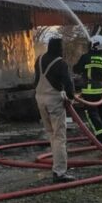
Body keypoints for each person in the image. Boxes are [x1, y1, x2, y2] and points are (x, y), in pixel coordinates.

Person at [34, 37, 76, 183]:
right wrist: (70, 98)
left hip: (40, 99)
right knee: (59, 137)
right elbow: (68, 85)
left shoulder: (39, 59)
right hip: (54, 101)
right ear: (59, 48)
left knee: (51, 134)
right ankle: (59, 172)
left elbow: (36, 80)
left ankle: (57, 164)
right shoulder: (60, 63)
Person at [73, 35, 102, 144]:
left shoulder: (86, 57)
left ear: (94, 45)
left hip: (89, 91)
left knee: (91, 114)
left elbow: (76, 69)